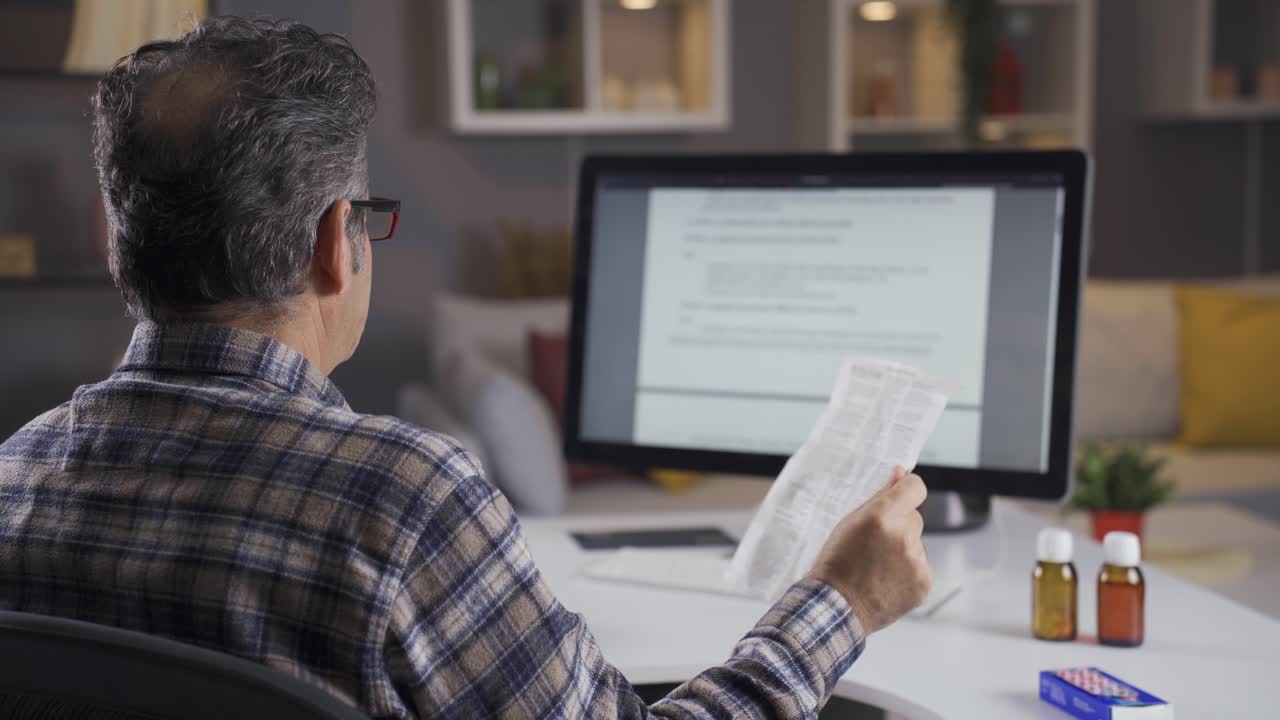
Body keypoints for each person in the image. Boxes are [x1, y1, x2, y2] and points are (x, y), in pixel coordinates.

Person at [0, 16, 932, 720]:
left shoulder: (13, 478)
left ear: (114, 241)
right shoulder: (402, 505)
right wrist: (842, 602)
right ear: (336, 242)